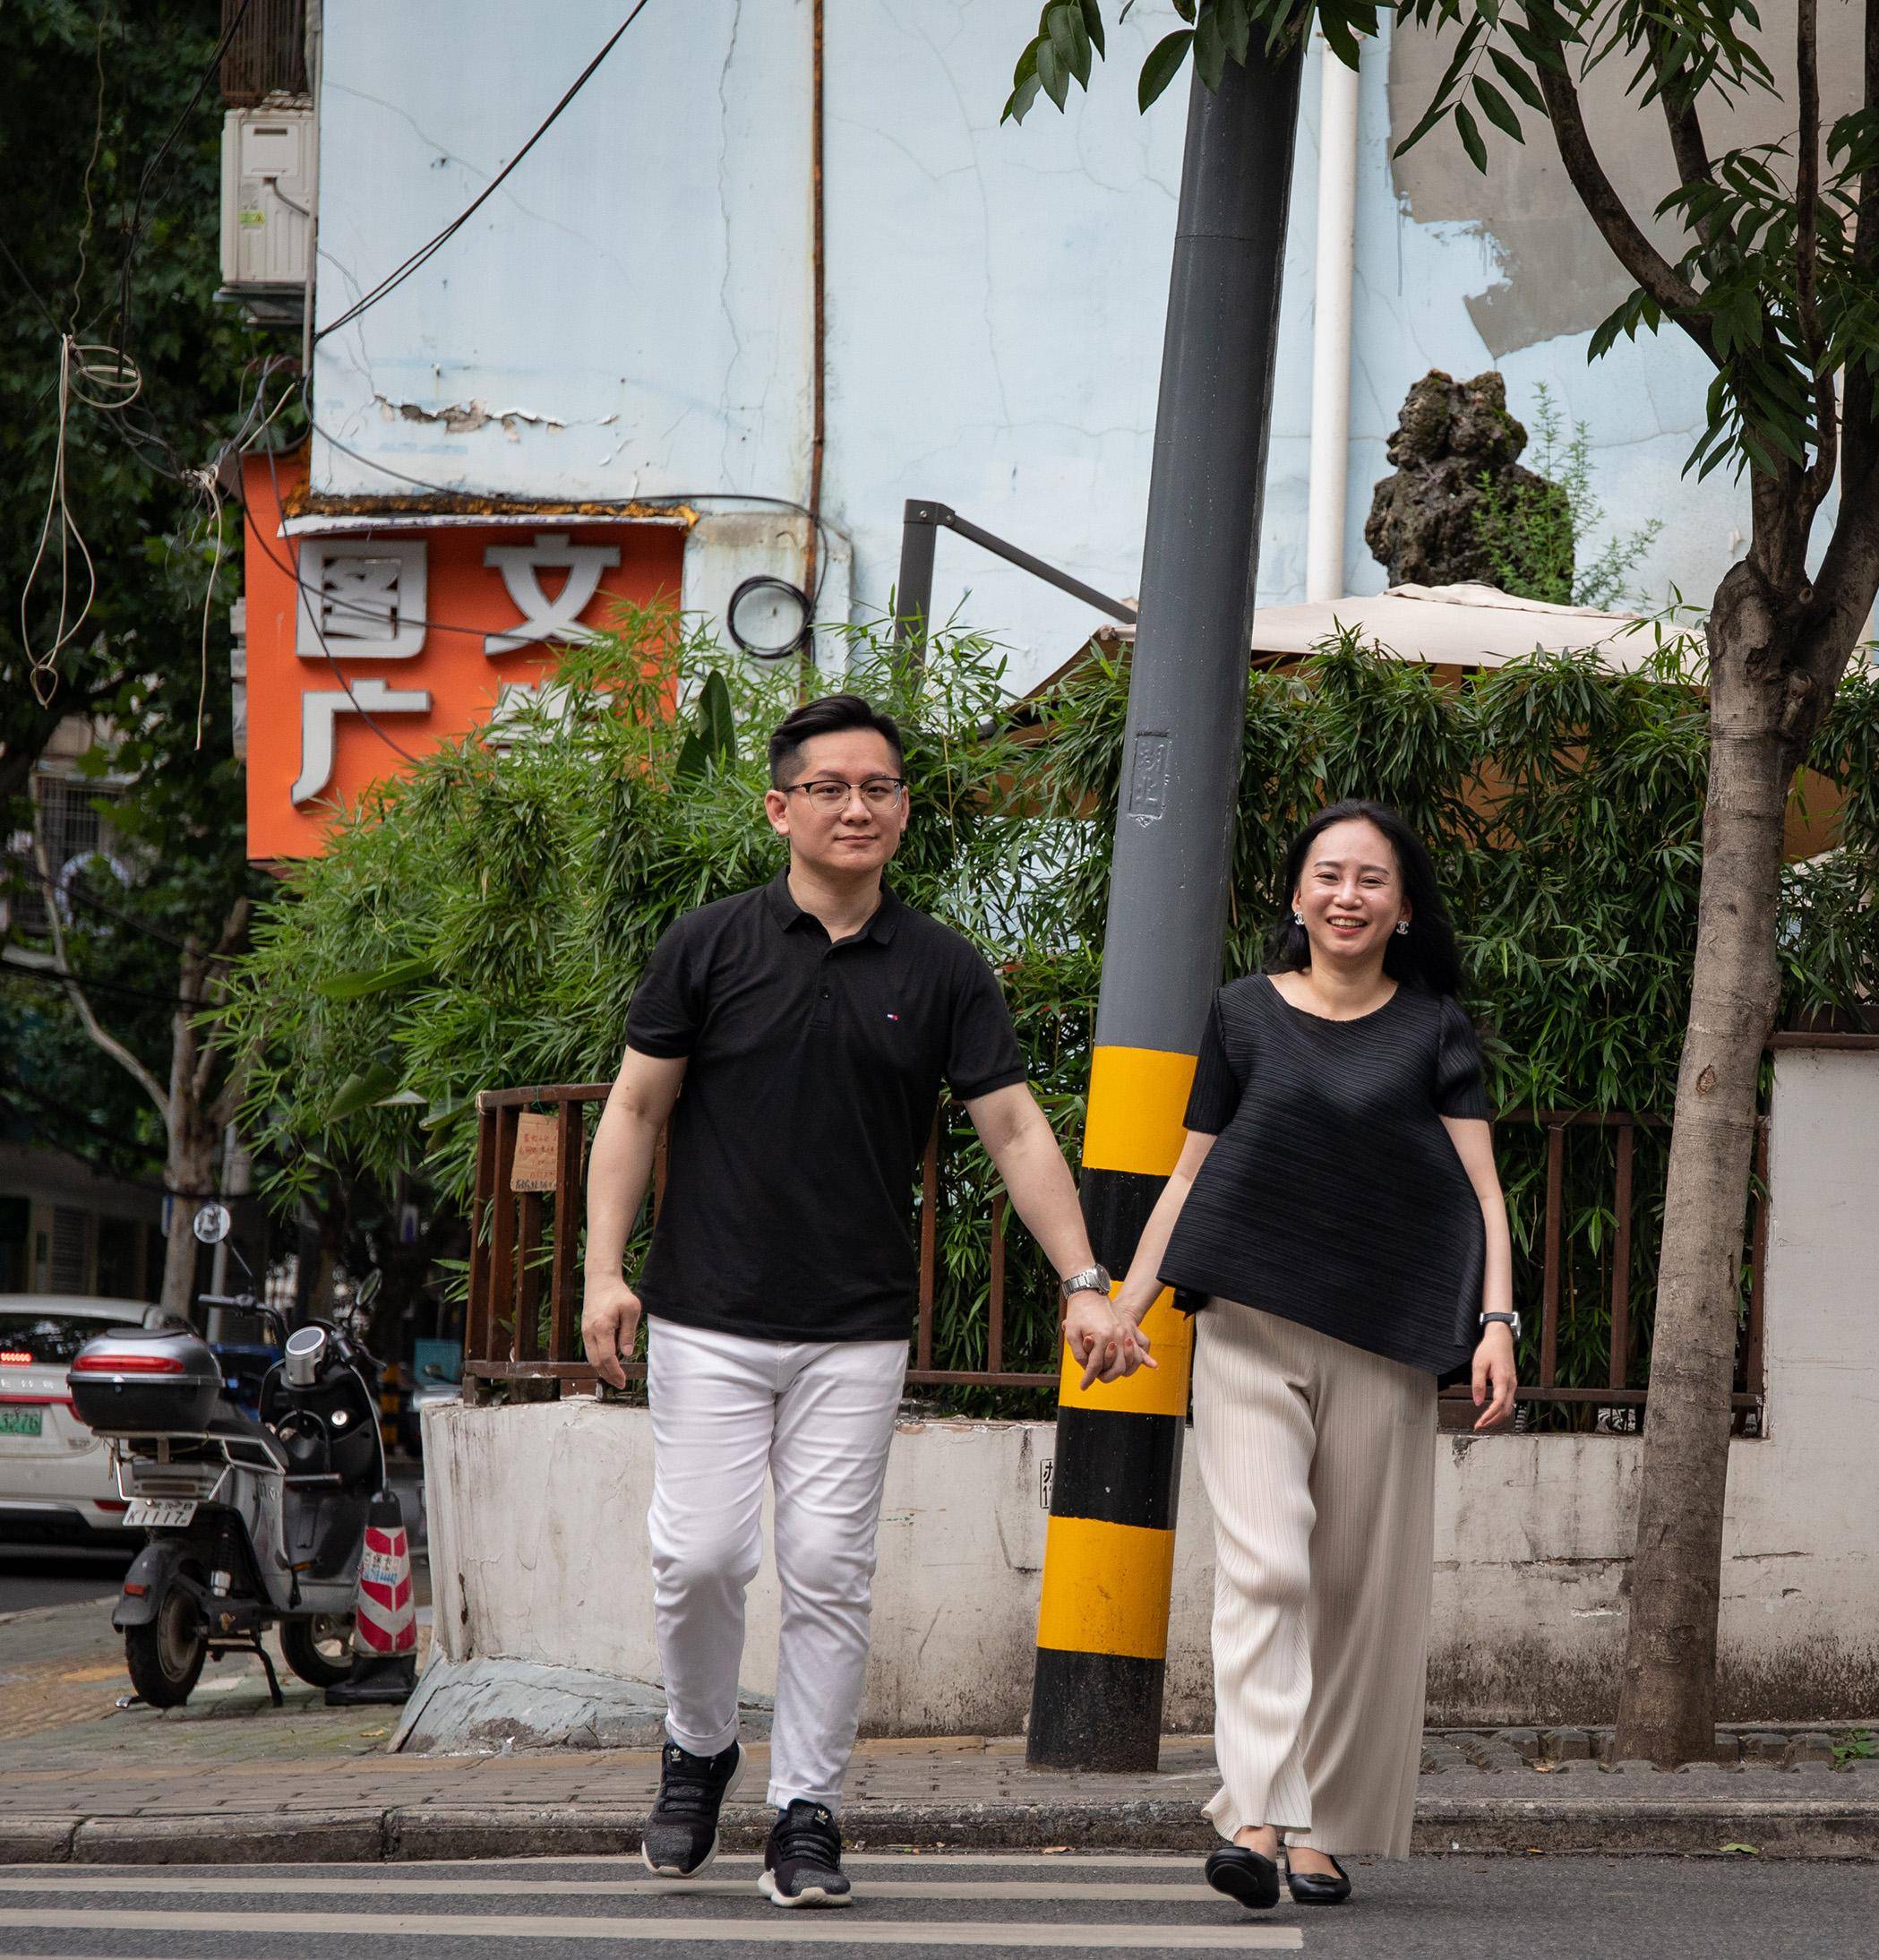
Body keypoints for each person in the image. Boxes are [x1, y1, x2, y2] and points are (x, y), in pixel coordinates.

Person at [579, 693, 1111, 1908]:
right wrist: (607, 1272)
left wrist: (1083, 1279)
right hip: (707, 1310)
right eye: (829, 788)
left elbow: (1017, 1129)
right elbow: (634, 1109)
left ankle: (806, 1810)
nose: (856, 807)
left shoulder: (941, 967)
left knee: (827, 1566)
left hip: (855, 1325)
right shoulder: (708, 944)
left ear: (903, 810)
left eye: (879, 788)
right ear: (781, 809)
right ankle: (700, 1745)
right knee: (699, 1555)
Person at [1068, 800, 1521, 1913]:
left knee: (1354, 1590)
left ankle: (1317, 1822)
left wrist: (1497, 1321)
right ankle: (1259, 1815)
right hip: (1246, 1329)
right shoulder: (1239, 1016)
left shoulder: (1433, 1031)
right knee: (1266, 1566)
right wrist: (1127, 1309)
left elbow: (1483, 1194)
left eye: (1372, 878)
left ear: (1403, 907)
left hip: (1381, 1340)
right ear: (1295, 895)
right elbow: (1188, 1177)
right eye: (1327, 874)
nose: (1347, 894)